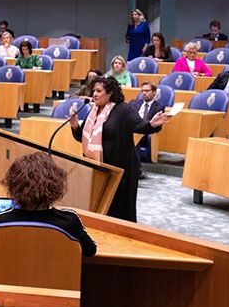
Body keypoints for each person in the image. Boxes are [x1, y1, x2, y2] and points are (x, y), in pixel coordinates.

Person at [68, 76, 167, 222]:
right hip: (99, 168)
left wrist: (152, 124)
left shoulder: (123, 110)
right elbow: (82, 138)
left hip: (122, 170)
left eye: (99, 91)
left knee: (120, 211)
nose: (94, 94)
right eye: (94, 90)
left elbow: (138, 126)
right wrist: (75, 125)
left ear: (110, 93)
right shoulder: (94, 111)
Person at [0, 152, 97, 256]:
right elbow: (90, 251)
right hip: (57, 275)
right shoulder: (69, 221)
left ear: (13, 185)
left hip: (10, 275)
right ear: (56, 186)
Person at [134, 83, 165, 164]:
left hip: (146, 132)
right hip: (133, 129)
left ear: (154, 92)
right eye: (142, 91)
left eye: (147, 90)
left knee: (135, 138)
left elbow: (157, 126)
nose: (144, 93)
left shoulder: (159, 107)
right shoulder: (134, 103)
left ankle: (137, 168)